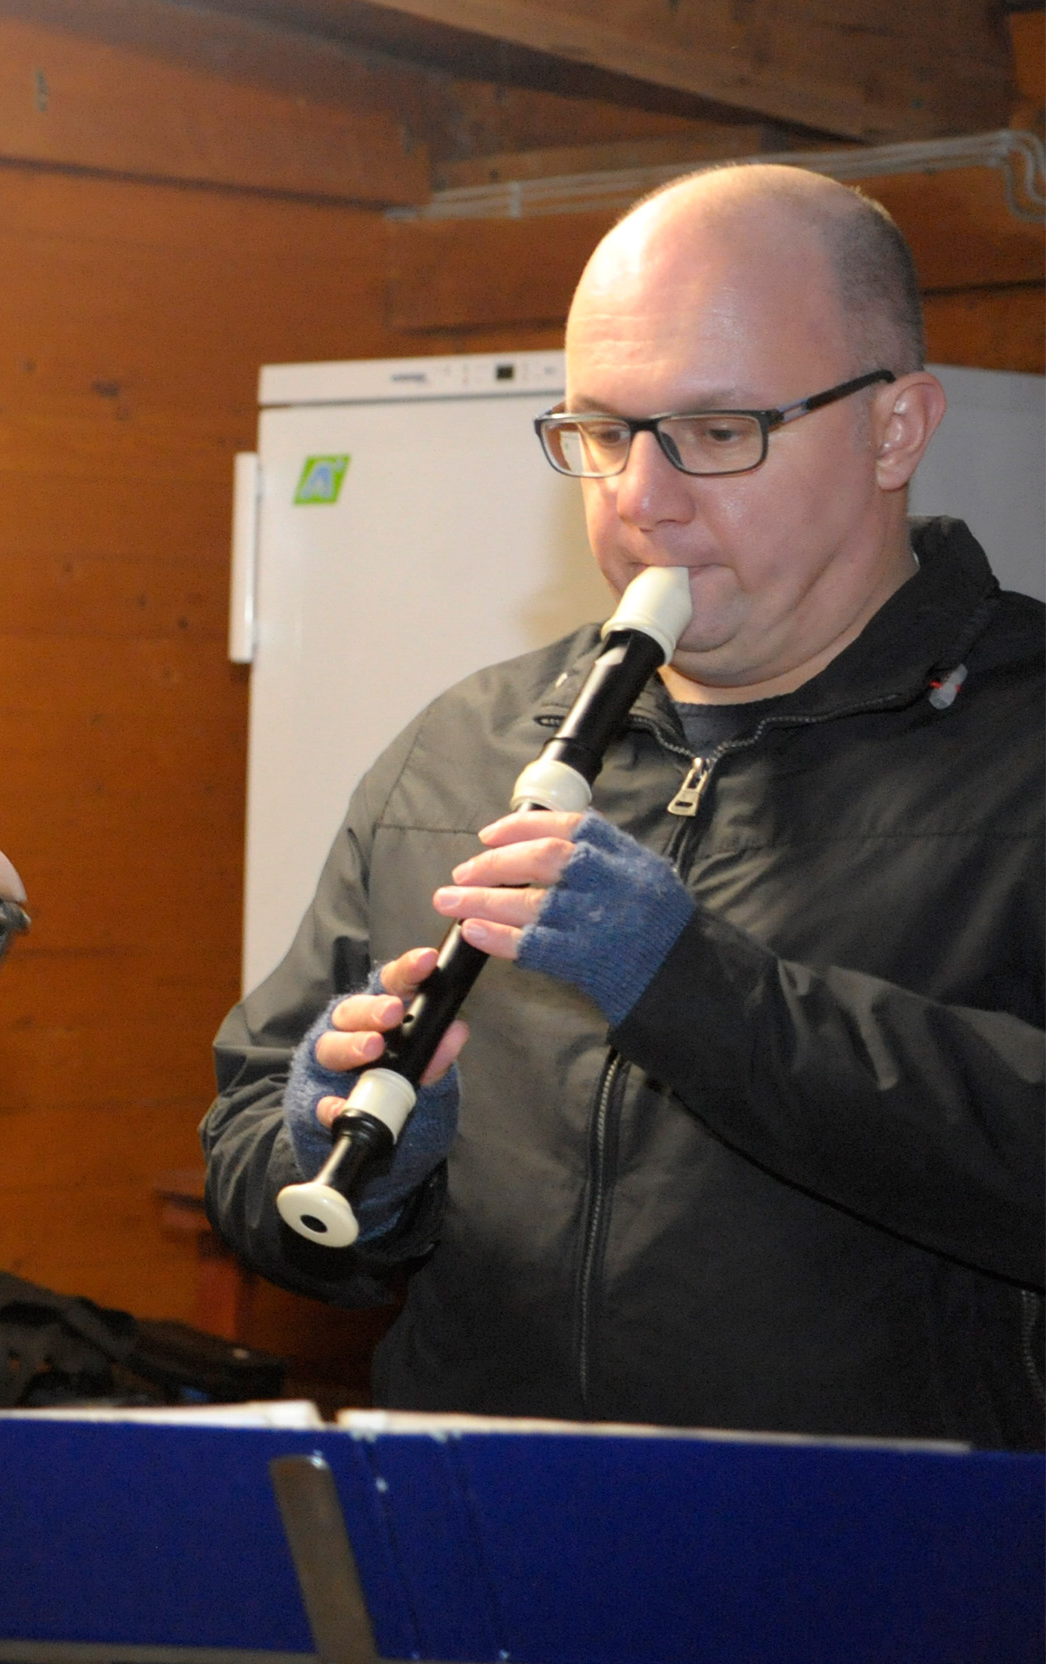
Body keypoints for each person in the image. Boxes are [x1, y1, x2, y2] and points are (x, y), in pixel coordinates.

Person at [201, 163, 1043, 1448]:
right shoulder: (463, 744)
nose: (640, 499)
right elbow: (257, 1162)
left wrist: (695, 987)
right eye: (599, 432)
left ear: (894, 430)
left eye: (718, 433)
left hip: (896, 1581)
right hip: (488, 1553)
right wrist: (341, 1159)